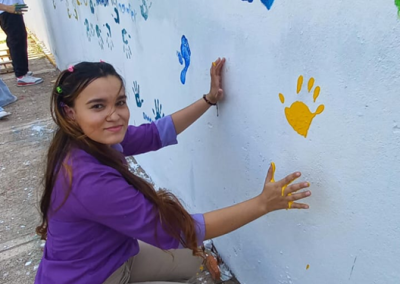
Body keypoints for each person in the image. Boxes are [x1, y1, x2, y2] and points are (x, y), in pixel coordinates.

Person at [34, 59, 312, 284]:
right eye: (98, 106)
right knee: (189, 243)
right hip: (89, 278)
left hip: (114, 256)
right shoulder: (88, 179)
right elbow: (178, 230)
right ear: (70, 112)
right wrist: (263, 204)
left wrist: (209, 99)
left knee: (194, 258)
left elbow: (155, 134)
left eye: (119, 102)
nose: (115, 115)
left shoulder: (90, 139)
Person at [0, 0, 43, 86]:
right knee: (16, 41)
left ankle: (22, 72)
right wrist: (7, 7)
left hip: (11, 9)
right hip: (8, 10)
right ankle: (21, 76)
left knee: (18, 39)